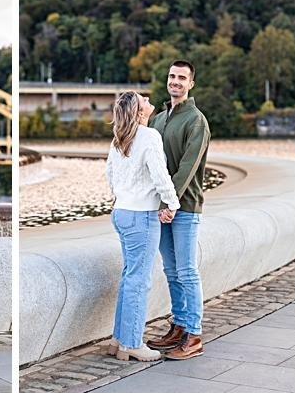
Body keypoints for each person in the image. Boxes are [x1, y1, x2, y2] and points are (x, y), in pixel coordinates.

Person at [102, 90, 180, 363]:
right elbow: (161, 174)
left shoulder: (118, 139)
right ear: (139, 112)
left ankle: (118, 340)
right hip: (141, 216)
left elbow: (110, 174)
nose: (148, 100)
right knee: (139, 280)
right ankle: (132, 344)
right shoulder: (149, 136)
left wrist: (118, 197)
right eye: (143, 100)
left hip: (122, 212)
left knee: (129, 277)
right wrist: (172, 204)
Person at [147, 60, 213, 361]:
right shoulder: (158, 120)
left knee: (187, 271)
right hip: (160, 207)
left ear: (191, 84)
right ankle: (179, 325)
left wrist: (169, 203)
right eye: (172, 76)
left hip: (184, 207)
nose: (175, 81)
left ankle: (195, 335)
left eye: (182, 78)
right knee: (171, 271)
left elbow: (188, 167)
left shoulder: (196, 121)